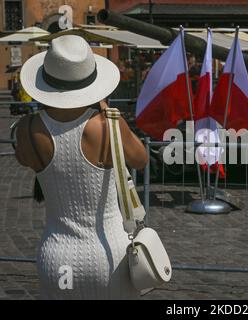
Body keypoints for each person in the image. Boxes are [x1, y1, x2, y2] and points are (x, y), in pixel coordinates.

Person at [14, 35, 148, 299]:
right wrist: (106, 110)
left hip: (57, 258)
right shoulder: (107, 124)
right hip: (109, 256)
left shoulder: (27, 130)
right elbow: (140, 159)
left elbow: (24, 158)